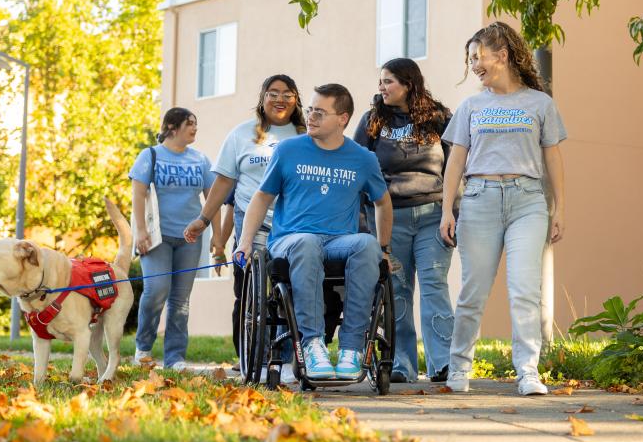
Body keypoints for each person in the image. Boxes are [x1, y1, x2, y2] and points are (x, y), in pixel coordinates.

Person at [440, 22, 566, 396]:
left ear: (503, 55)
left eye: (479, 57)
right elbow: (455, 161)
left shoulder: (540, 104)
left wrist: (560, 208)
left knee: (525, 290)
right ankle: (460, 367)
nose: (475, 65)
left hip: (528, 201)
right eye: (471, 59)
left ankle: (528, 371)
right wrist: (448, 209)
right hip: (480, 199)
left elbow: (553, 158)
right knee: (473, 291)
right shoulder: (472, 106)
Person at [235, 83, 393, 380]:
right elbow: (261, 198)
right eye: (310, 110)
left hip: (338, 242)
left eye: (320, 112)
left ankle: (351, 348)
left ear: (342, 119)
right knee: (307, 243)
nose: (310, 117)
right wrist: (245, 242)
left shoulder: (362, 159)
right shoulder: (288, 150)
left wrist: (383, 246)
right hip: (290, 240)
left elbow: (382, 202)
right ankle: (312, 344)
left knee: (367, 245)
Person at [183, 74, 306, 371]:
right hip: (251, 225)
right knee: (248, 291)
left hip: (295, 224)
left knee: (291, 290)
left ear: (297, 100)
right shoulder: (241, 135)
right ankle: (250, 356)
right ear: (262, 98)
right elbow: (224, 180)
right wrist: (203, 219)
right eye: (273, 93)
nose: (280, 99)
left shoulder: (306, 135)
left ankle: (285, 358)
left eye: (287, 94)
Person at [354, 58, 455, 384]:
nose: (381, 88)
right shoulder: (372, 120)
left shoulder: (438, 117)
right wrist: (361, 221)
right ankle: (401, 364)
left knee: (434, 286)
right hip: (387, 218)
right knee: (396, 289)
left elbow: (456, 166)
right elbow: (356, 169)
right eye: (381, 81)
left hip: (432, 215)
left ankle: (443, 363)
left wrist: (455, 211)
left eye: (388, 82)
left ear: (409, 83)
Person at [130, 108, 216, 370]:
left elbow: (213, 198)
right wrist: (140, 231)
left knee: (180, 301)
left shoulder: (200, 160)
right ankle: (143, 348)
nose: (194, 129)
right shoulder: (151, 155)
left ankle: (175, 358)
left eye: (196, 123)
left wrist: (217, 236)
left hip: (189, 240)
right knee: (156, 290)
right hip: (157, 238)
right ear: (172, 127)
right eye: (190, 124)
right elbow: (138, 194)